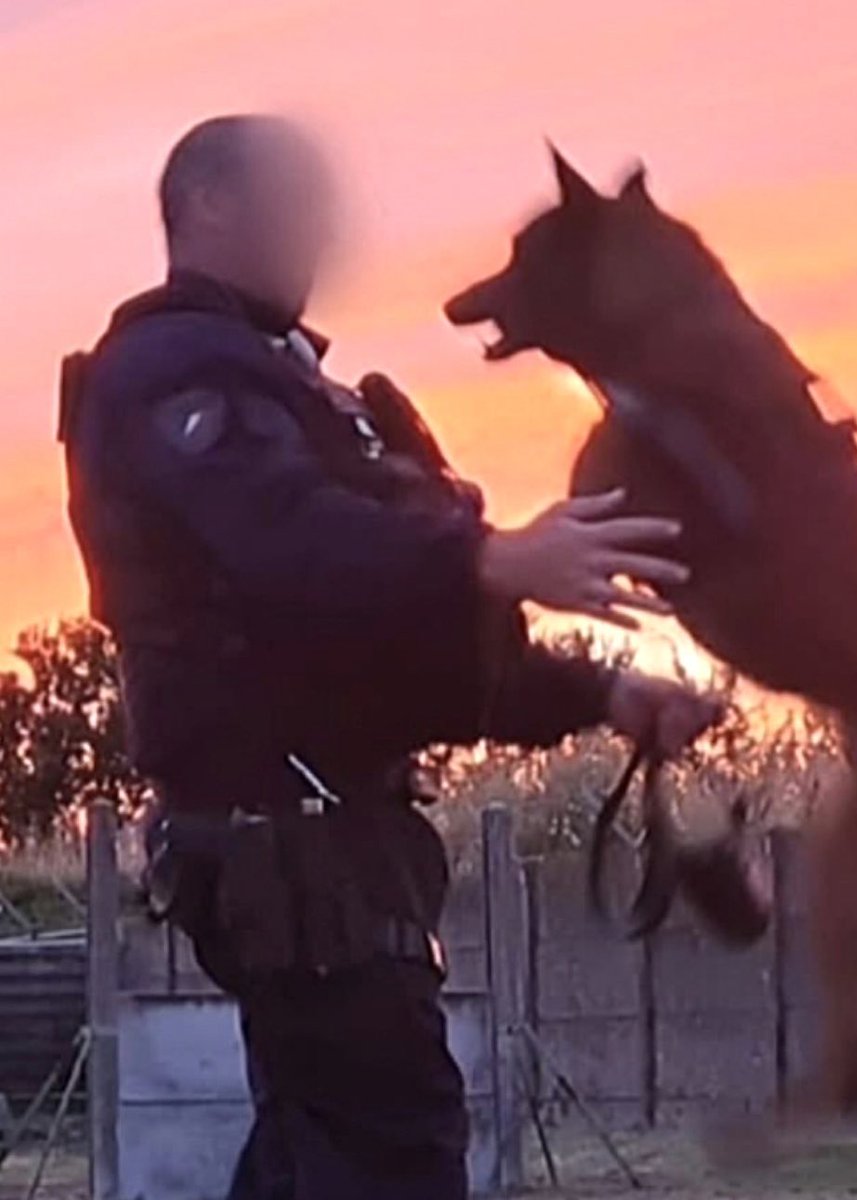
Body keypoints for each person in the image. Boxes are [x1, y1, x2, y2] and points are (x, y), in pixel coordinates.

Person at [60, 114, 717, 1200]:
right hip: (289, 853)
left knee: (318, 1153)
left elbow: (395, 645)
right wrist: (488, 556)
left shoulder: (299, 390)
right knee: (390, 1149)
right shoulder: (171, 371)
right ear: (210, 204)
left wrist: (604, 692)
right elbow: (289, 542)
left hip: (334, 852)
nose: (321, 225)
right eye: (295, 196)